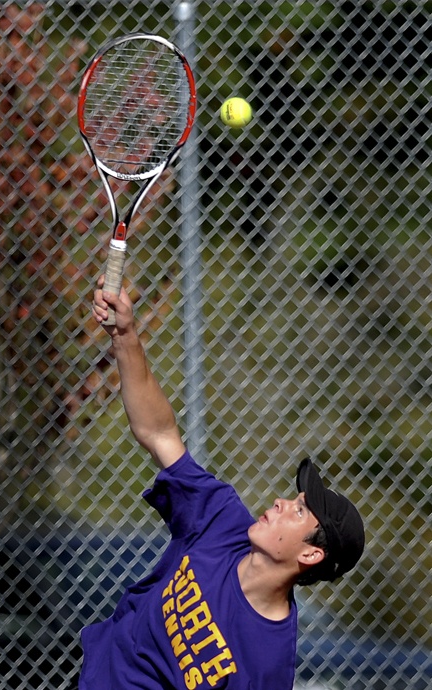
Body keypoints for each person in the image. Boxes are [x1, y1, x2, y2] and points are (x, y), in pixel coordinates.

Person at [79, 275, 365, 690]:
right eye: (294, 498)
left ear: (309, 554)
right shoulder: (221, 521)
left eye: (300, 510)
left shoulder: (267, 663)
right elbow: (160, 433)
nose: (283, 502)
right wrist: (125, 336)